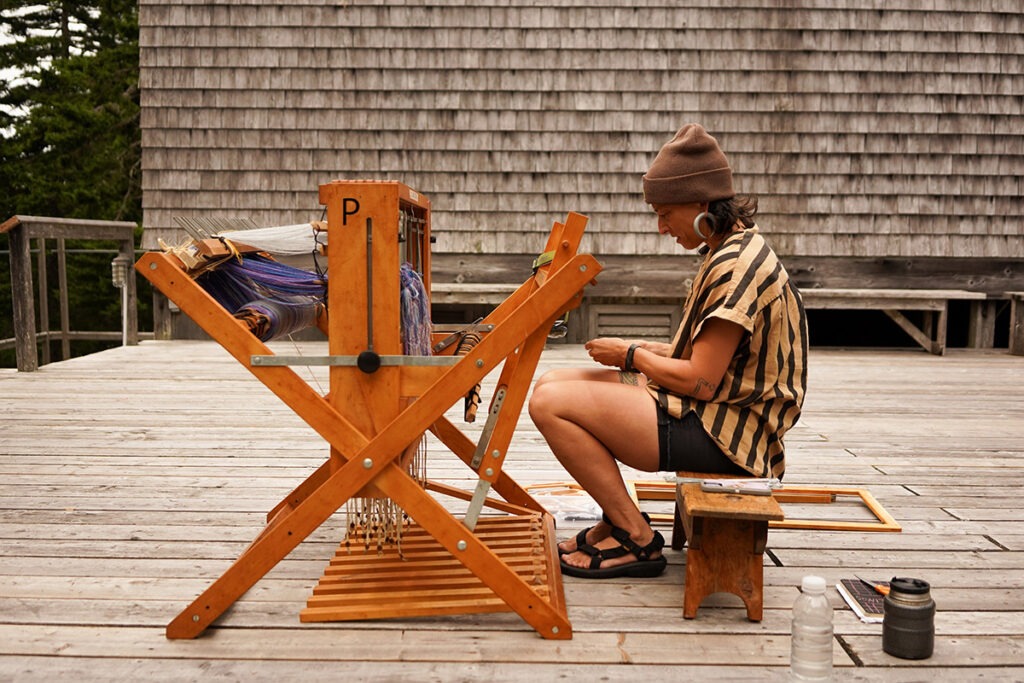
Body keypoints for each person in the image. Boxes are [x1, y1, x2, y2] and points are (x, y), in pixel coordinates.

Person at [528, 123, 808, 579]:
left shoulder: (736, 267)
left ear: (702, 205)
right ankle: (618, 519)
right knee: (554, 381)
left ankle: (637, 539)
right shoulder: (731, 249)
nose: (661, 228)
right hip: (717, 413)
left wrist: (632, 356)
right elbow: (705, 357)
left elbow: (701, 379)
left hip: (728, 436)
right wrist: (638, 353)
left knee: (550, 403)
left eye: (665, 213)